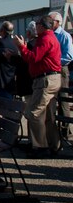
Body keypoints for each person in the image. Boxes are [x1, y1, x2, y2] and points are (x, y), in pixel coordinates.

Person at [14, 12, 62, 157]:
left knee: (34, 113)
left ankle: (40, 146)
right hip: (52, 78)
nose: (36, 27)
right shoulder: (51, 38)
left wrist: (21, 47)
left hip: (45, 80)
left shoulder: (45, 39)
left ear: (43, 26)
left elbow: (33, 58)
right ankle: (54, 145)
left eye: (38, 25)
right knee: (48, 115)